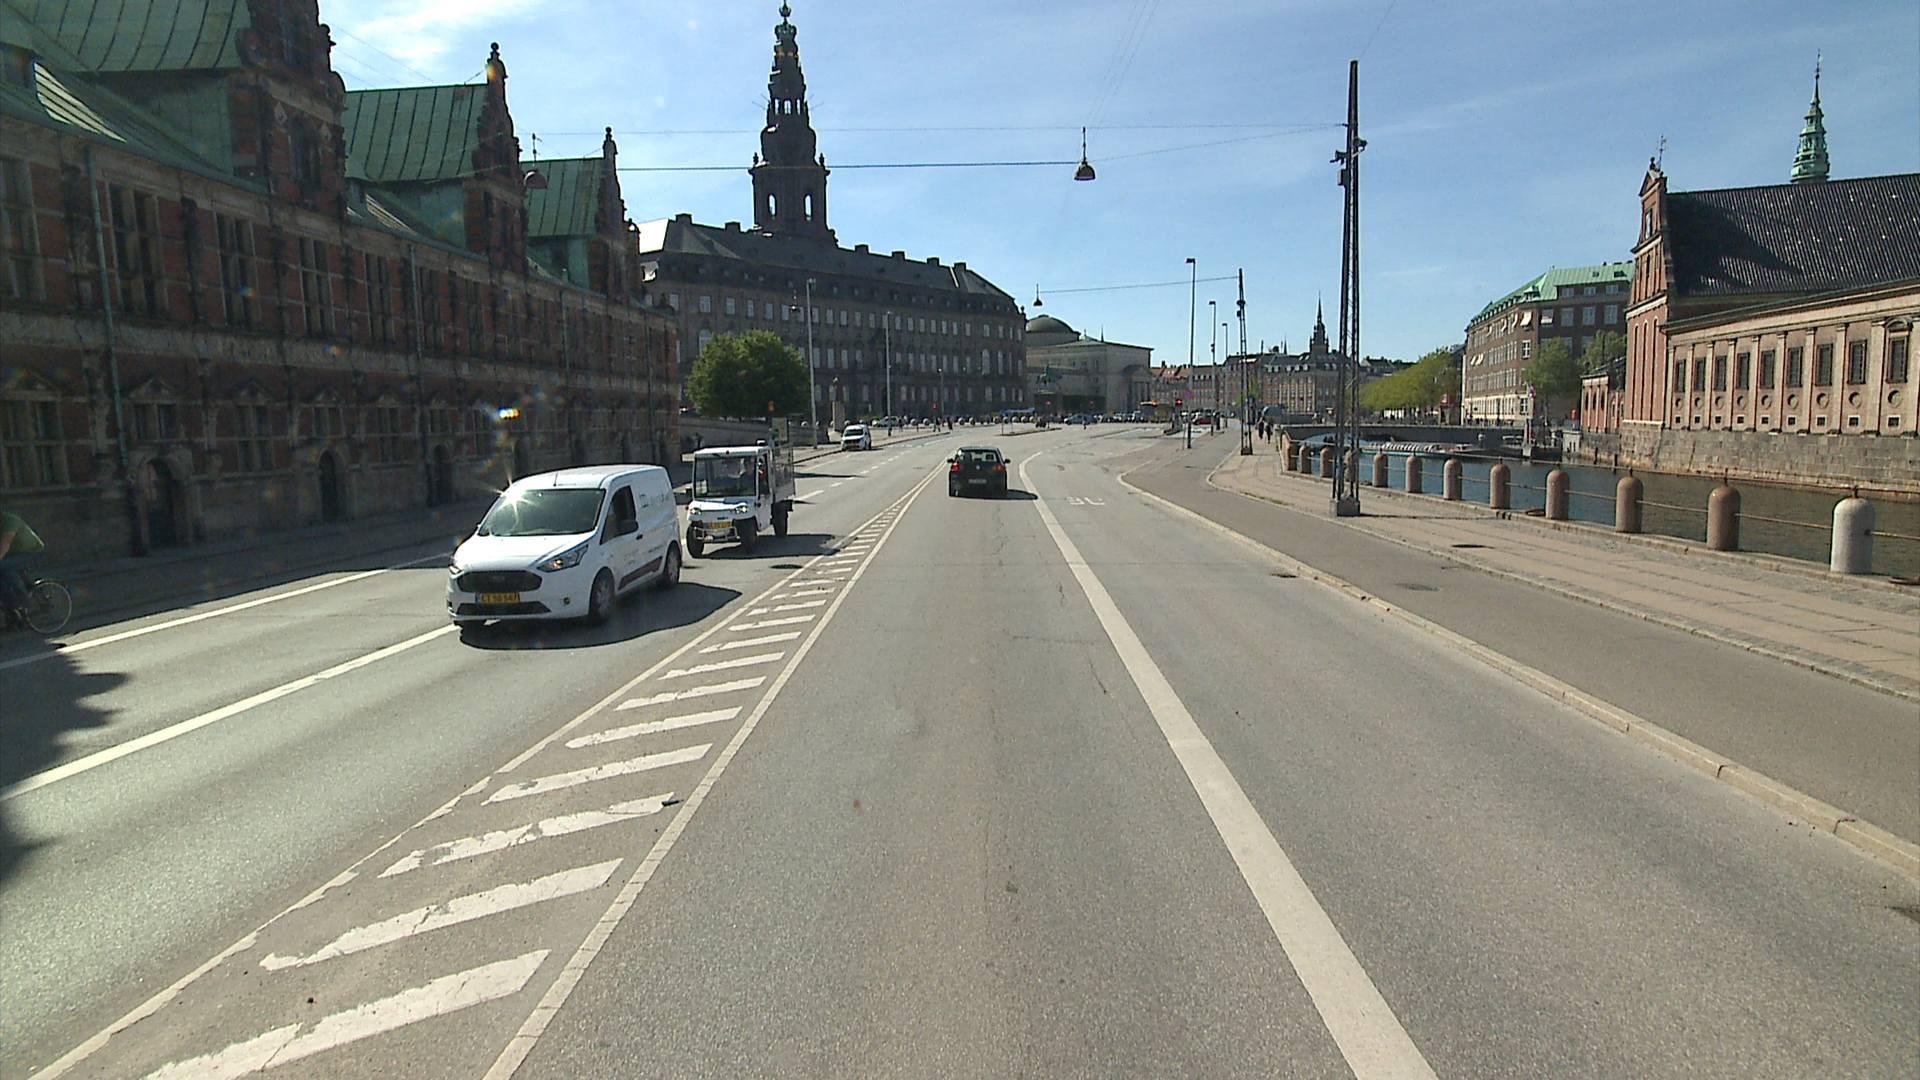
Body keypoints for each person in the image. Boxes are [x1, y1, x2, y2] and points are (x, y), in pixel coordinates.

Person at [0, 506, 47, 615]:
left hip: (33, 553)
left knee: (5, 568)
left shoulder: (10, 521)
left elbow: (6, 542)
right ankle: (12, 610)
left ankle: (23, 600)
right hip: (14, 554)